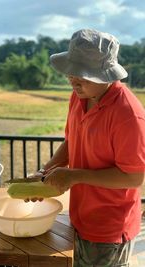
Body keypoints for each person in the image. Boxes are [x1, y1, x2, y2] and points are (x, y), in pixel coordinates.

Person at [28, 29, 145, 266]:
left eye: (81, 74)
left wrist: (73, 176)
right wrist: (47, 171)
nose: (72, 79)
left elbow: (134, 178)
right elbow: (73, 141)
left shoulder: (128, 115)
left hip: (108, 228)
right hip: (80, 216)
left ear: (104, 75)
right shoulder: (80, 94)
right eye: (72, 72)